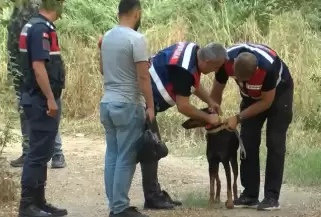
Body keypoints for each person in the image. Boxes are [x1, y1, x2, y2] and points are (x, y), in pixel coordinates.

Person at [139, 41, 228, 209]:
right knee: (152, 147)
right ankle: (151, 197)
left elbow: (193, 84)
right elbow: (184, 106)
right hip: (141, 103)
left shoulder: (193, 50)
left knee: (150, 147)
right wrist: (209, 119)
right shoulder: (184, 69)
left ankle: (153, 193)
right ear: (207, 62)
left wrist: (210, 101)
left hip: (146, 100)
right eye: (216, 67)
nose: (216, 71)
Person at [210, 43, 294, 211]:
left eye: (243, 80)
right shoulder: (224, 61)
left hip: (278, 95)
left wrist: (238, 117)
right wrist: (213, 112)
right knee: (247, 140)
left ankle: (271, 197)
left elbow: (266, 102)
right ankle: (250, 194)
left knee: (275, 142)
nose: (239, 82)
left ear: (255, 72)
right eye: (237, 78)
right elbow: (217, 90)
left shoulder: (268, 68)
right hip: (251, 96)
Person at [98, 0, 154, 216]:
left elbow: (104, 69)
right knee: (126, 156)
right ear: (137, 13)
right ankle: (120, 208)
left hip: (107, 103)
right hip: (128, 104)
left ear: (118, 13)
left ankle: (115, 204)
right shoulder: (137, 39)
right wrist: (150, 106)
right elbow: (143, 76)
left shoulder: (107, 37)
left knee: (112, 154)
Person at [17, 0, 67, 216]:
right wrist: (50, 98)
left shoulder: (37, 26)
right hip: (40, 100)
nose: (64, 6)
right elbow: (38, 67)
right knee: (37, 154)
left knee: (43, 152)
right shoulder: (40, 29)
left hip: (37, 98)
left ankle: (39, 202)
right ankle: (28, 205)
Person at [7, 0, 66, 169]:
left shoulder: (35, 12)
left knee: (47, 114)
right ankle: (30, 151)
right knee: (34, 114)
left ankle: (55, 153)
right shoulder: (18, 9)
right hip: (24, 70)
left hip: (34, 71)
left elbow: (40, 57)